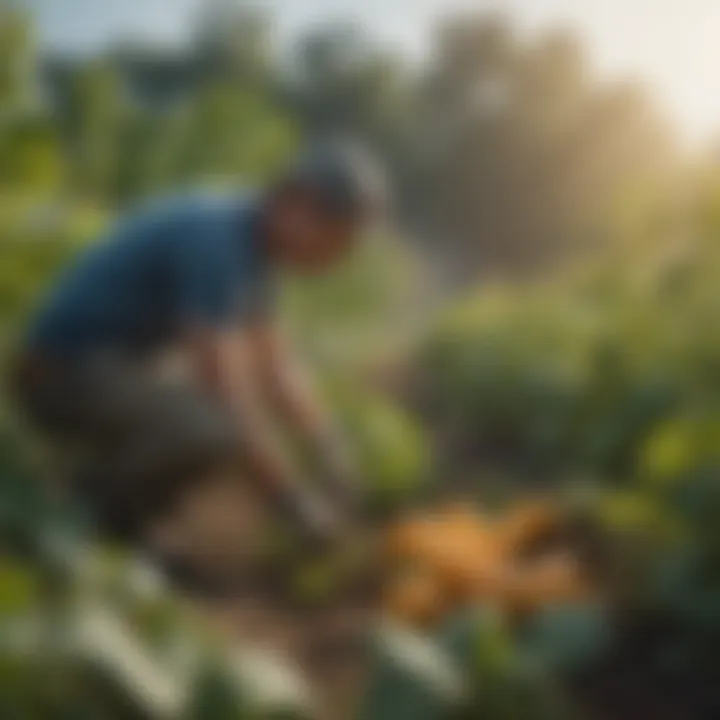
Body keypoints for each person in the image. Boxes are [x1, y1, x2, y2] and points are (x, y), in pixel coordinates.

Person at [10, 142, 387, 547]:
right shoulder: (218, 240)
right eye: (337, 240)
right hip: (58, 373)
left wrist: (327, 445)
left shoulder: (254, 246)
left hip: (103, 367)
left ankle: (113, 514)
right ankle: (83, 515)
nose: (335, 258)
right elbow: (225, 389)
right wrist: (289, 499)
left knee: (204, 416)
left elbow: (274, 365)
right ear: (298, 205)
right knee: (210, 429)